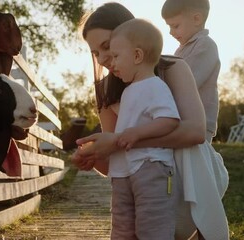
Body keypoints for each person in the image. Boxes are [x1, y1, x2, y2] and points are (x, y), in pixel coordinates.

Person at [73, 2, 229, 239]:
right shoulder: (104, 90)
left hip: (186, 174)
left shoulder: (173, 68)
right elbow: (113, 164)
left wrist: (119, 141)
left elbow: (195, 132)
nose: (103, 58)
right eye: (96, 52)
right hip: (139, 189)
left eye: (107, 46)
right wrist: (93, 156)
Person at [106, 18, 180, 238]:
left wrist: (137, 133)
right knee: (121, 228)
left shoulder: (155, 86)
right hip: (123, 171)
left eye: (116, 56)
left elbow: (169, 120)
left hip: (151, 167)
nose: (112, 63)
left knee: (153, 227)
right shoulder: (128, 91)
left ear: (137, 56)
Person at [162, 0, 220, 143]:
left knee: (194, 162)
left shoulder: (205, 45)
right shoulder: (180, 50)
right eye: (169, 27)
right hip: (184, 119)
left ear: (197, 19)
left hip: (199, 121)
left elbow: (189, 81)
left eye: (175, 26)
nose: (170, 32)